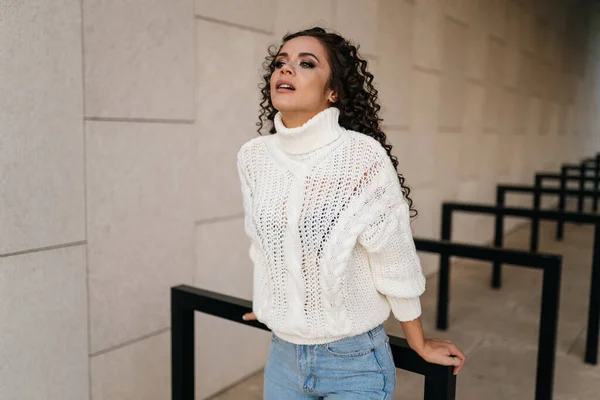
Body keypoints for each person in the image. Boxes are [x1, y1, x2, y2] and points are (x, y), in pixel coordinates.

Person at [236, 27, 465, 399]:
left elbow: (394, 259)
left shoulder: (361, 156)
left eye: (305, 63)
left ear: (333, 91)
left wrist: (419, 343)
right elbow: (260, 243)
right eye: (281, 62)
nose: (286, 70)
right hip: (283, 357)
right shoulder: (253, 157)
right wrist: (272, 303)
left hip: (353, 361)